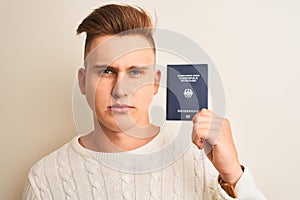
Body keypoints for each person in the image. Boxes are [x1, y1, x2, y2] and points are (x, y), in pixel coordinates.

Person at [22, 3, 265, 200]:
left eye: (135, 72)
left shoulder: (202, 161)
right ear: (83, 81)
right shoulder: (45, 180)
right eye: (106, 71)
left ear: (156, 82)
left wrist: (233, 175)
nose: (121, 90)